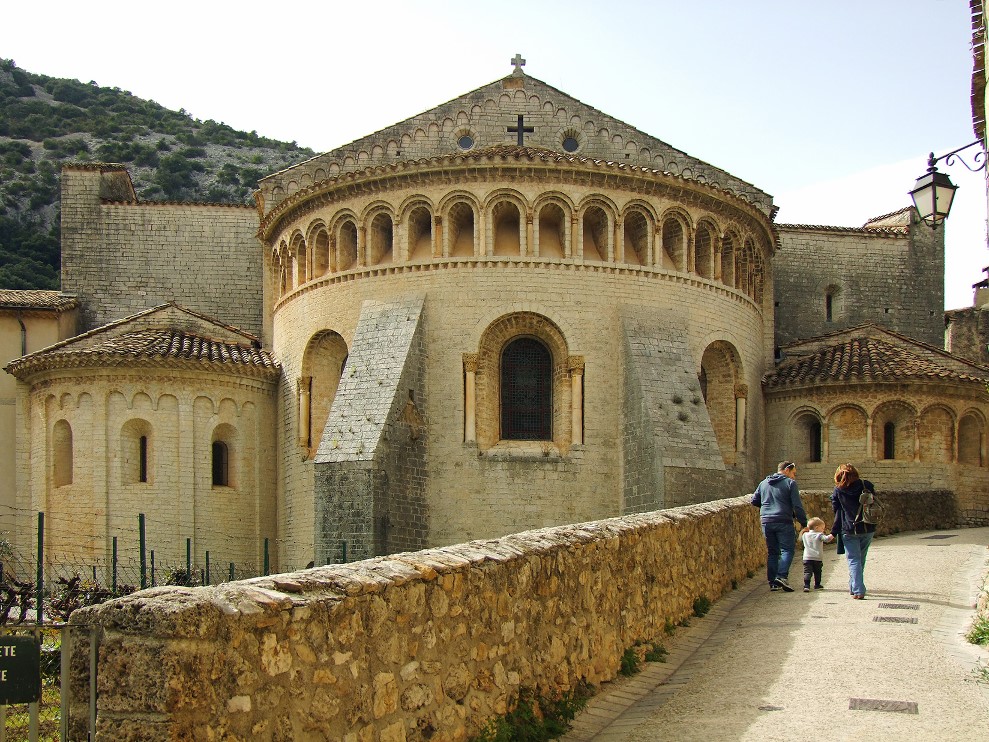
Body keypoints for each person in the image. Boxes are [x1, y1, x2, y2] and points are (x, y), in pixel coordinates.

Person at [751, 461, 808, 592]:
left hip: (766, 521)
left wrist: (768, 508)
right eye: (793, 473)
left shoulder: (763, 483)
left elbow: (754, 500)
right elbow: (797, 505)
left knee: (773, 552)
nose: (794, 476)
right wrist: (804, 523)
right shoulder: (790, 483)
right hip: (783, 520)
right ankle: (781, 576)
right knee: (787, 550)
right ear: (787, 470)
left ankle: (773, 583)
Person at [830, 463, 876, 600]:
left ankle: (857, 589)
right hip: (867, 527)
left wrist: (834, 530)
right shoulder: (866, 485)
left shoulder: (838, 490)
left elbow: (836, 510)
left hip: (849, 528)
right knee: (860, 558)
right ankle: (855, 586)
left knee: (853, 559)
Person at [799, 517, 834, 592]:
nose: (823, 530)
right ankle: (817, 585)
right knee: (817, 572)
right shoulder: (819, 535)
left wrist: (803, 530)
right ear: (817, 527)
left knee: (807, 572)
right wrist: (833, 534)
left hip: (807, 557)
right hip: (817, 558)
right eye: (822, 528)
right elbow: (827, 539)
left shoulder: (805, 535)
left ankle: (806, 585)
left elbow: (800, 539)